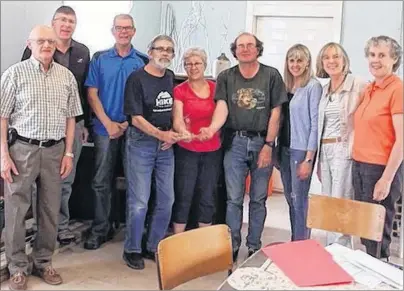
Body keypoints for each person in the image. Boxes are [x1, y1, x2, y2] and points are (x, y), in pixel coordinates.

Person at [0, 25, 83, 290]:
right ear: (30, 43)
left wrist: (69, 152)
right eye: (40, 41)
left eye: (50, 41)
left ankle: (43, 261)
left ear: (56, 44)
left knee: (49, 209)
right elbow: (2, 118)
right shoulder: (14, 74)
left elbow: (72, 118)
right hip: (21, 150)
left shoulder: (66, 77)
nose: (46, 45)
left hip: (55, 151)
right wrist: (3, 155)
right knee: (16, 209)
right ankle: (17, 267)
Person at [199, 32, 288, 261]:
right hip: (234, 143)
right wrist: (212, 128)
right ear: (235, 50)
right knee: (234, 199)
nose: (245, 49)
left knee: (258, 199)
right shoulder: (226, 77)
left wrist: (269, 144)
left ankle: (254, 246)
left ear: (258, 49)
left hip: (262, 143)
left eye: (250, 45)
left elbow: (276, 113)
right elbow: (222, 107)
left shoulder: (271, 75)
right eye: (241, 46)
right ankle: (232, 246)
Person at [21, 5, 91, 245]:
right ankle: (40, 227)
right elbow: (27, 86)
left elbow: (85, 91)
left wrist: (86, 124)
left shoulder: (82, 51)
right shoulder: (37, 48)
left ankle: (60, 226)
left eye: (71, 21)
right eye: (62, 20)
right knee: (38, 181)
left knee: (66, 179)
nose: (66, 24)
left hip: (74, 124)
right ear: (53, 22)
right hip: (42, 126)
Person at [84, 14, 148, 250]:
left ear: (133, 31)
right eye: (119, 28)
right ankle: (101, 228)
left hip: (135, 130)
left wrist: (126, 124)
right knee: (101, 180)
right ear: (113, 31)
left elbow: (146, 98)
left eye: (127, 28)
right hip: (104, 129)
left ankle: (134, 234)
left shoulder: (142, 60)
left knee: (135, 183)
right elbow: (92, 94)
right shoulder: (99, 59)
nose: (123, 31)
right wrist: (109, 124)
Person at [123, 35, 179, 270]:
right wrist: (161, 135)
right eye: (160, 49)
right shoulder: (136, 78)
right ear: (150, 50)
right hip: (141, 144)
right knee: (139, 202)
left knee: (167, 200)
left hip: (165, 146)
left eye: (169, 50)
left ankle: (153, 245)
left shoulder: (169, 77)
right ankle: (132, 249)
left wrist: (173, 134)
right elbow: (136, 119)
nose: (165, 53)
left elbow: (174, 108)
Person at [352, 35, 403, 260]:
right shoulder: (370, 88)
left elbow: (402, 139)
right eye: (372, 55)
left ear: (394, 59)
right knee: (365, 231)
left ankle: (380, 277)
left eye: (382, 55)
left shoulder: (397, 89)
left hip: (380, 168)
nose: (375, 60)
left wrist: (386, 178)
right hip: (360, 165)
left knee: (377, 234)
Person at [315, 42, 366, 247]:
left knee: (340, 203)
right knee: (328, 203)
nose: (331, 61)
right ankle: (331, 251)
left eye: (336, 56)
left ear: (344, 60)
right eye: (327, 57)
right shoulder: (325, 89)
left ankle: (341, 254)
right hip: (325, 149)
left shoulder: (358, 84)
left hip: (343, 148)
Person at [171, 47, 222, 234]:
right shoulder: (180, 90)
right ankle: (178, 240)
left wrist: (210, 130)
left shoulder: (216, 89)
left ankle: (203, 242)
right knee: (184, 195)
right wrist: (183, 132)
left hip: (212, 151)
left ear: (204, 65)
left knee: (207, 197)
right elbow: (177, 118)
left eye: (197, 63)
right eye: (188, 64)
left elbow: (221, 114)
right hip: (187, 151)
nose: (193, 67)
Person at [278, 44, 322, 241]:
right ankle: (296, 240)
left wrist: (308, 158)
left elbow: (315, 125)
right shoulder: (286, 86)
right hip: (284, 148)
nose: (295, 64)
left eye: (299, 60)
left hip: (301, 151)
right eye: (291, 60)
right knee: (290, 198)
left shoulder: (312, 86)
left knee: (300, 200)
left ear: (307, 64)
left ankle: (301, 244)